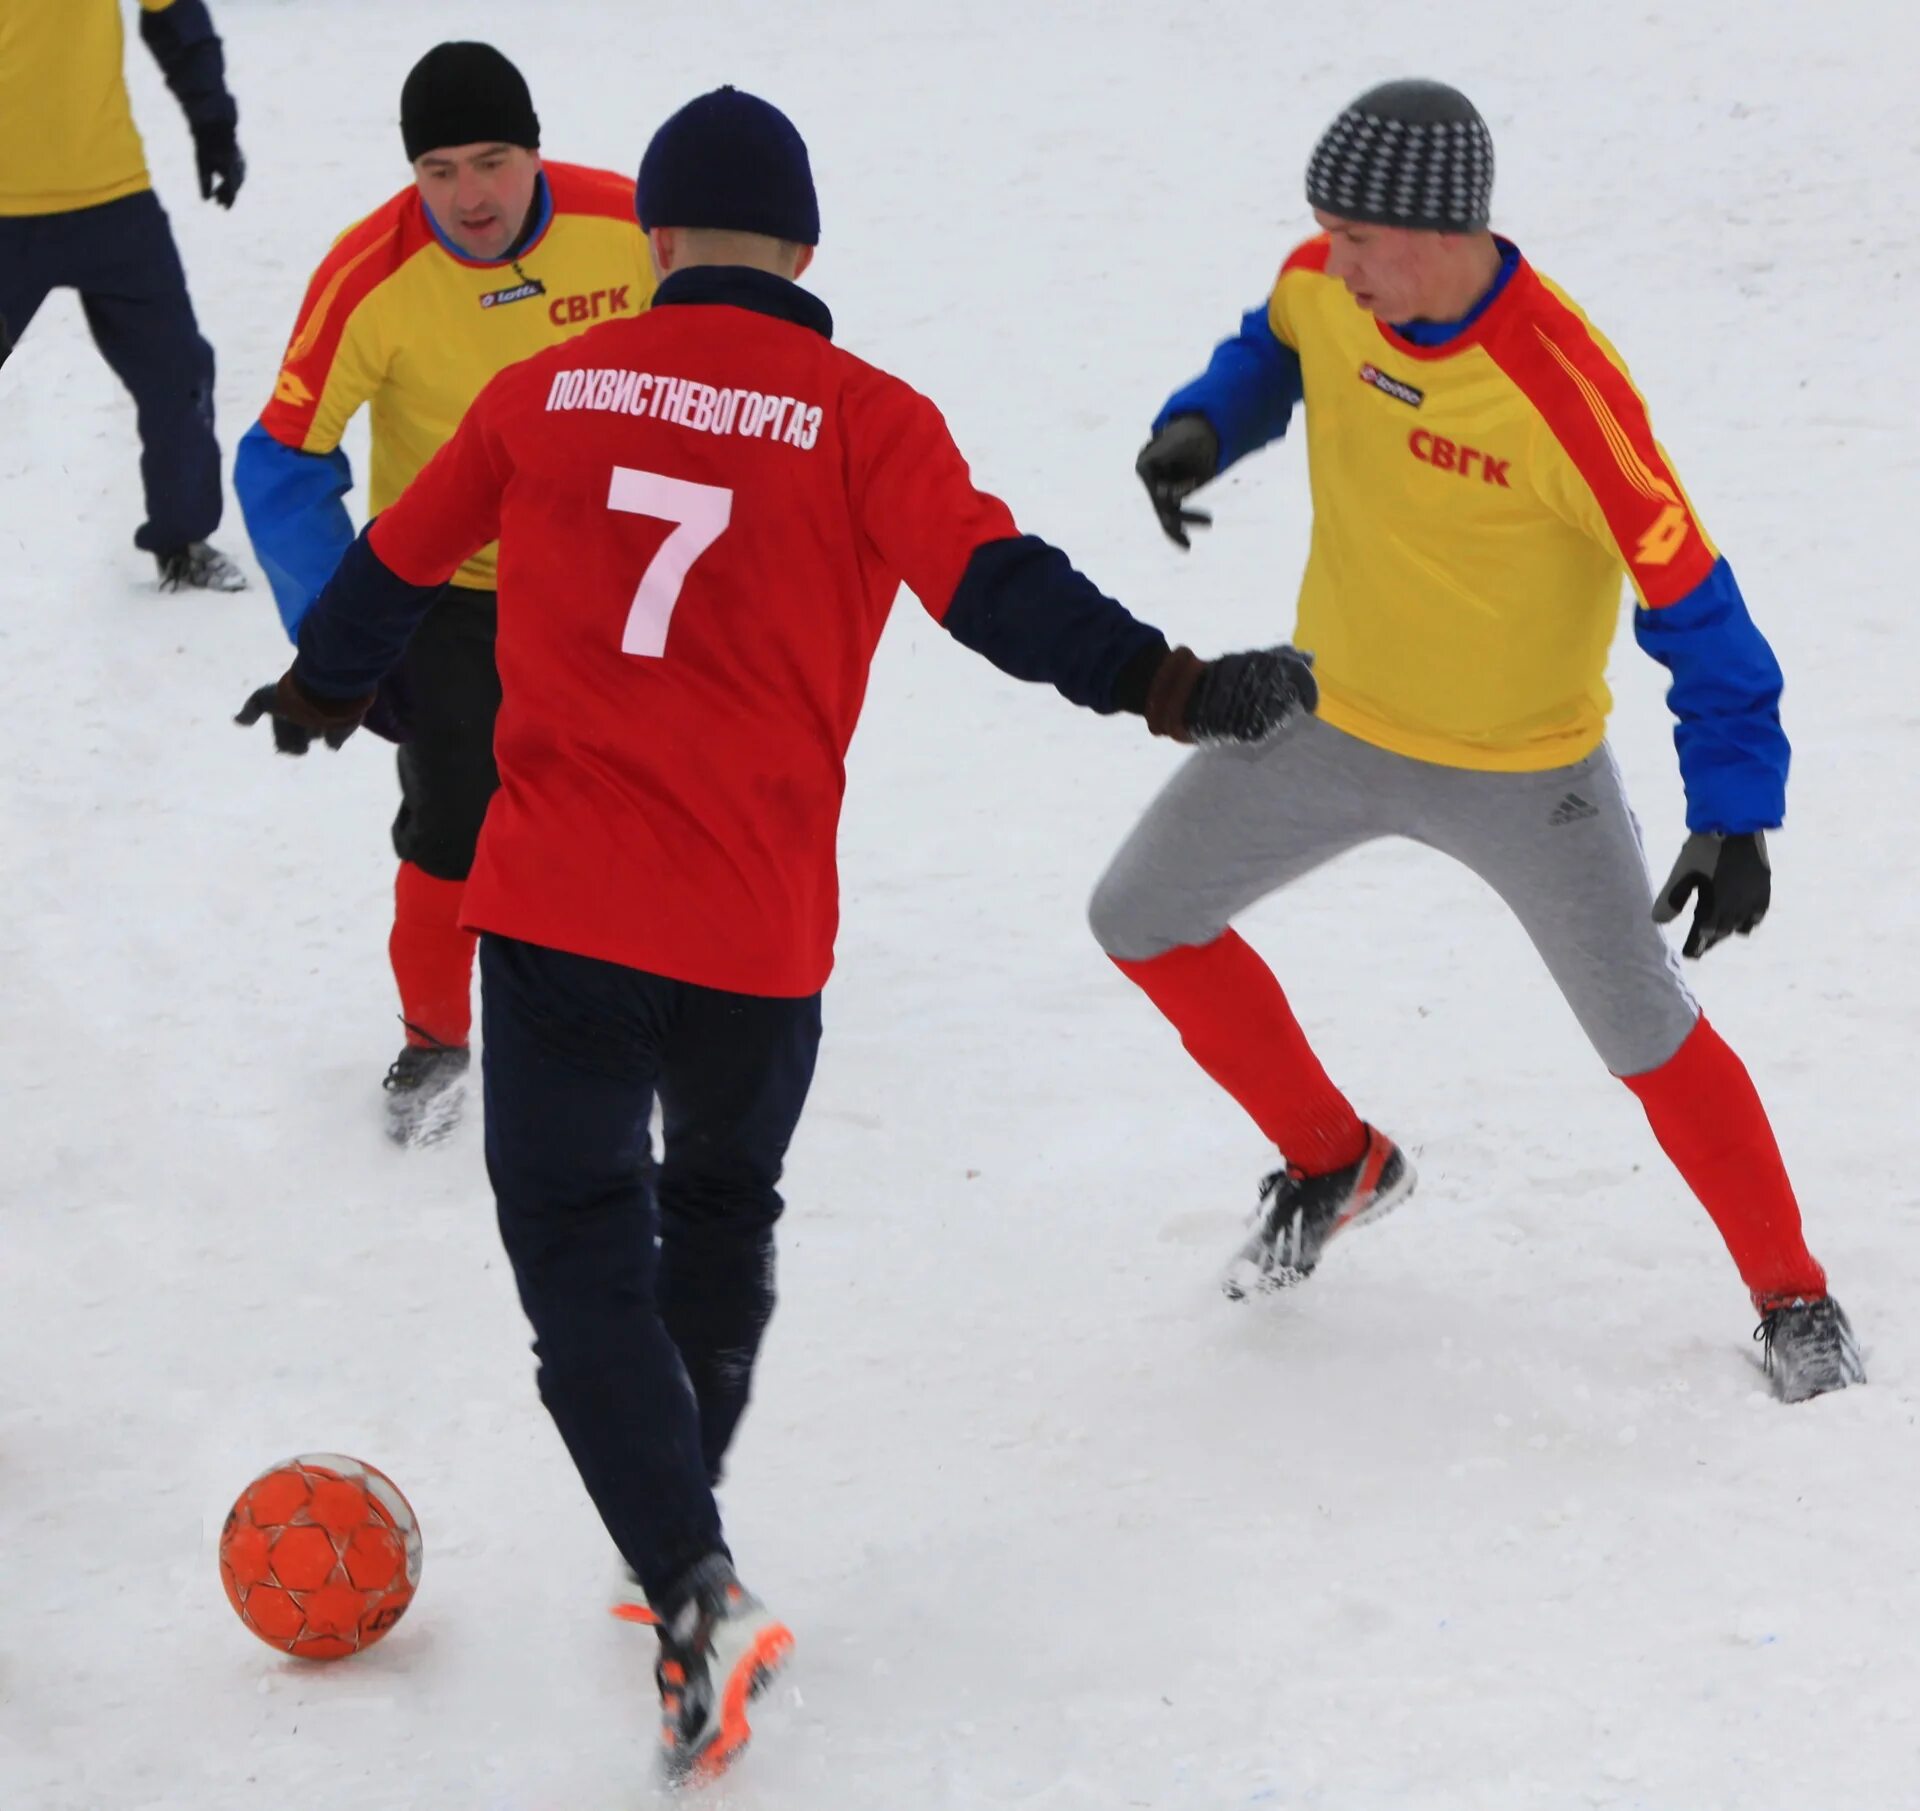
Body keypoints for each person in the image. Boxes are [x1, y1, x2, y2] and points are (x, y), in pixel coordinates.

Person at [237, 85, 1309, 1781]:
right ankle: (684, 1525)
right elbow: (1001, 591)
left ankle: (687, 1575)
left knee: (581, 1250)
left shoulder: (540, 389)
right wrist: (1171, 686)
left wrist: (324, 676)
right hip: (754, 929)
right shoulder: (865, 414)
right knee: (719, 1206)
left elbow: (394, 558)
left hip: (559, 909)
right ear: (804, 250)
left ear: (650, 241)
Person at [1095, 78, 1863, 1405]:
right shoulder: (1326, 290)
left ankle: (1793, 1292)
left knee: (1645, 1030)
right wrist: (1206, 423)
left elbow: (1697, 605)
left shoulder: (1562, 388)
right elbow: (1274, 346)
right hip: (1325, 717)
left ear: (1446, 228)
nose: (1335, 264)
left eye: (1360, 240)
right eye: (1325, 234)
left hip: (1526, 772)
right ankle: (1336, 1161)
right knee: (1141, 913)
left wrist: (1736, 809)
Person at [234, 41, 655, 1144]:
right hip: (453, 592)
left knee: (637, 799)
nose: (469, 196)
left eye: (493, 160)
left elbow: (735, 350)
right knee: (455, 826)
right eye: (439, 170)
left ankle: (637, 990)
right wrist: (343, 636)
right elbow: (282, 465)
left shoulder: (632, 227)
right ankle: (435, 1037)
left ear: (535, 150)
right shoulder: (370, 274)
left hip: (616, 575)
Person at [0, 0, 247, 590]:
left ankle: (183, 541)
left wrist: (212, 125)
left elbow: (177, 19)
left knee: (179, 373)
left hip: (113, 199)